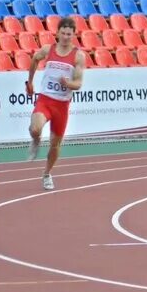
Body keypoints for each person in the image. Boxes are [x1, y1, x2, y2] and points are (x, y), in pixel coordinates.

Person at [25, 17, 86, 190]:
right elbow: (35, 60)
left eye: (69, 34)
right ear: (57, 33)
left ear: (74, 35)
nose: (66, 37)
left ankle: (46, 174)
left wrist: (68, 84)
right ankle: (35, 140)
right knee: (35, 128)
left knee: (55, 144)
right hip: (45, 99)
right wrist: (29, 82)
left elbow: (78, 84)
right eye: (63, 33)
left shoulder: (78, 56)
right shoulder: (48, 49)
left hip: (61, 105)